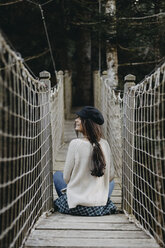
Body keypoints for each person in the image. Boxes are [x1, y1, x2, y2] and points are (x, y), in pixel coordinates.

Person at [53, 106, 117, 216]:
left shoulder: (75, 144)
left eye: (79, 118)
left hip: (76, 206)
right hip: (98, 207)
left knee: (58, 175)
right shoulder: (105, 144)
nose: (76, 120)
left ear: (87, 123)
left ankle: (79, 195)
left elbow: (66, 178)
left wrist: (79, 184)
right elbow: (110, 176)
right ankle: (97, 195)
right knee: (111, 183)